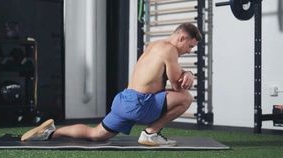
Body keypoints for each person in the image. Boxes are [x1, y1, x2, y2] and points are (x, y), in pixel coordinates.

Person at [21, 22, 202, 146]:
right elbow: (179, 88)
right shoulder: (170, 50)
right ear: (181, 38)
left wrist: (185, 73)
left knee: (96, 134)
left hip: (124, 100)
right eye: (190, 46)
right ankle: (151, 134)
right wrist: (189, 74)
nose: (189, 51)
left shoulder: (155, 45)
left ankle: (51, 133)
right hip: (139, 104)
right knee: (186, 98)